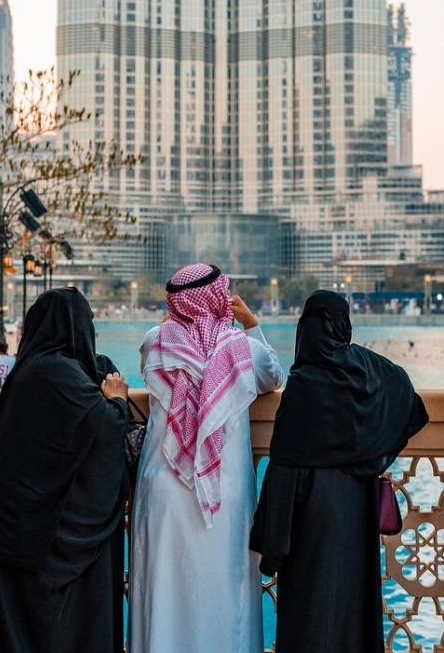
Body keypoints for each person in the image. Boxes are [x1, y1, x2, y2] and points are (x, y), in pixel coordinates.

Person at [250, 290, 429, 653]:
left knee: (310, 616)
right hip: (356, 513)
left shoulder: (303, 384)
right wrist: (376, 455)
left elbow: (285, 468)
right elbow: (411, 405)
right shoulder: (368, 369)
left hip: (311, 523)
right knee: (353, 611)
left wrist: (272, 549)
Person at [129, 263, 283, 653]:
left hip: (164, 489)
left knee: (164, 593)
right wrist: (250, 322)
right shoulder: (242, 349)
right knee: (222, 596)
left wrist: (175, 321)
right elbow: (274, 377)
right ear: (221, 298)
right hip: (222, 494)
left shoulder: (156, 342)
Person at [0, 287, 130, 653]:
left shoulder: (32, 368)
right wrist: (120, 402)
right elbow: (104, 428)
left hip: (9, 522)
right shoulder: (59, 374)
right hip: (37, 534)